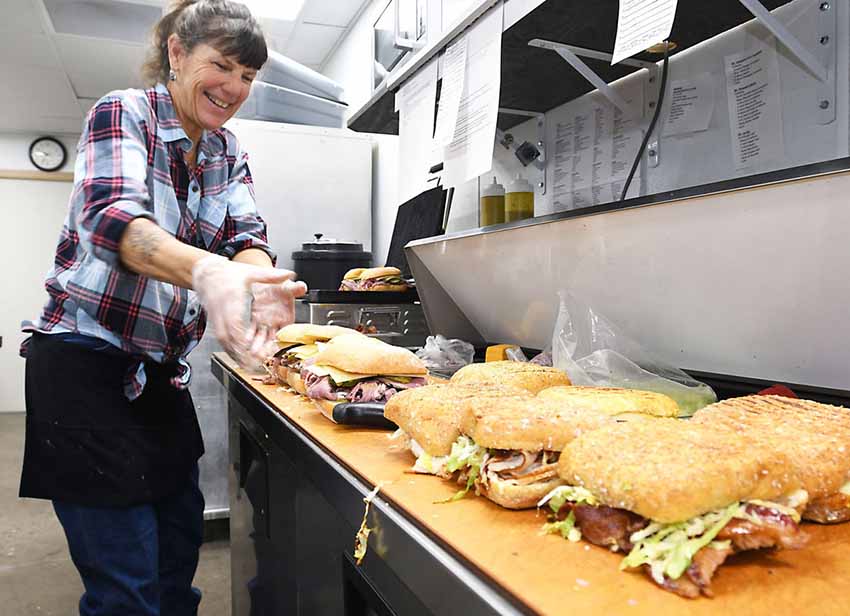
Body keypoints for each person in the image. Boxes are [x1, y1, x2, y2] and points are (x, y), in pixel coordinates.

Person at [18, 1, 305, 614]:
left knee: (178, 561)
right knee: (126, 589)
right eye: (221, 65)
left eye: (248, 76)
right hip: (83, 368)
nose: (234, 88)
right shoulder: (124, 113)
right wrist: (206, 271)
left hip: (158, 379)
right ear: (177, 53)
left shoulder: (226, 150)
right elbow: (111, 217)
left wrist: (263, 281)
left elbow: (245, 235)